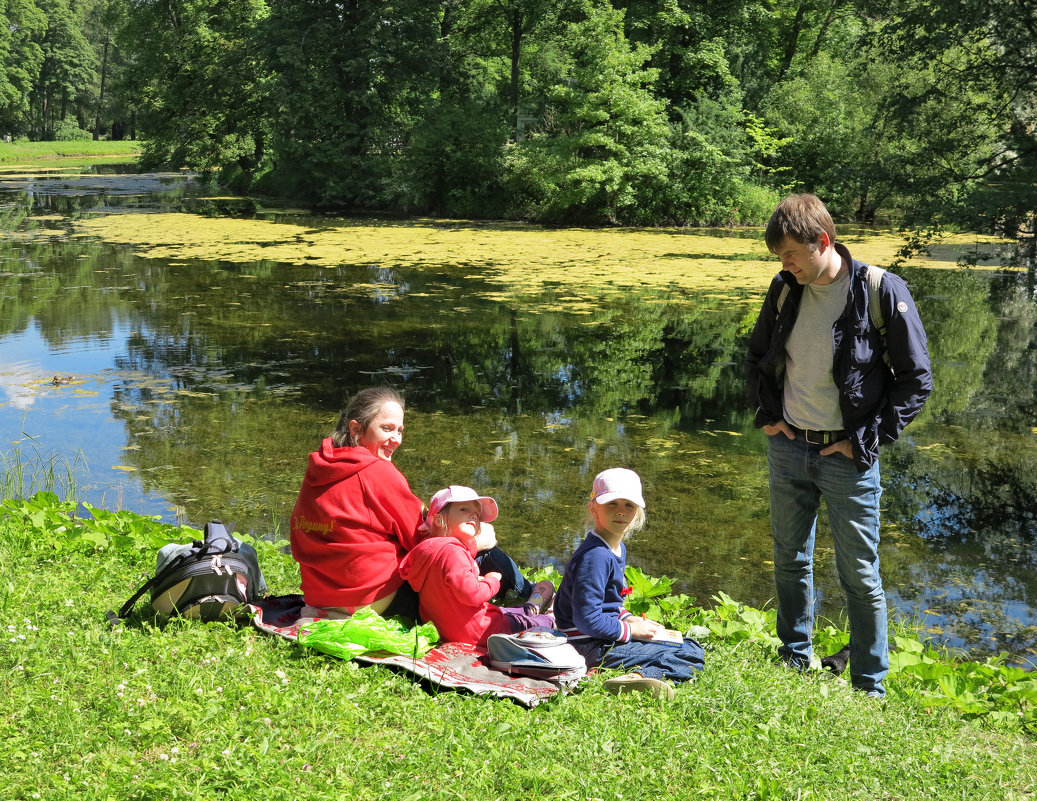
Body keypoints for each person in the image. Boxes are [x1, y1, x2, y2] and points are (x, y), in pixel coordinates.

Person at [746, 193, 932, 697]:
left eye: (789, 255)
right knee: (789, 558)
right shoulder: (785, 289)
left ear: (821, 241)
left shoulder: (878, 289)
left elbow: (916, 380)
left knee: (859, 573)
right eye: (780, 258)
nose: (783, 265)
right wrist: (767, 417)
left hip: (847, 457)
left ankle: (869, 682)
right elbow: (757, 355)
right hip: (788, 448)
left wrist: (864, 441)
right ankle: (794, 656)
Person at [290, 387, 534, 621]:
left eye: (400, 430)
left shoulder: (320, 466)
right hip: (369, 599)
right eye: (387, 429)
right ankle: (532, 597)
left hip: (320, 596)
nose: (395, 440)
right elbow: (425, 540)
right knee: (480, 549)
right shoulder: (377, 471)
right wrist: (475, 542)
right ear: (356, 429)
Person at [553, 468, 705, 699]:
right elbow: (587, 619)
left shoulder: (614, 547)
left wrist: (628, 617)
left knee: (689, 644)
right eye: (612, 504)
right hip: (588, 645)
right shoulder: (595, 556)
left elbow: (608, 601)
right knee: (689, 654)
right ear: (593, 507)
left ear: (638, 513)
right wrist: (632, 631)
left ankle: (636, 675)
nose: (621, 512)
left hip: (599, 637)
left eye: (629, 505)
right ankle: (640, 678)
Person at [398, 485, 555, 646]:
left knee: (503, 613)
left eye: (477, 515)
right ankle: (551, 618)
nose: (473, 515)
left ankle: (528, 609)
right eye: (464, 509)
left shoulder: (426, 550)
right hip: (478, 631)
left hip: (443, 628)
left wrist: (474, 578)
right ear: (439, 519)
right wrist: (492, 581)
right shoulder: (453, 553)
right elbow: (472, 595)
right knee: (526, 624)